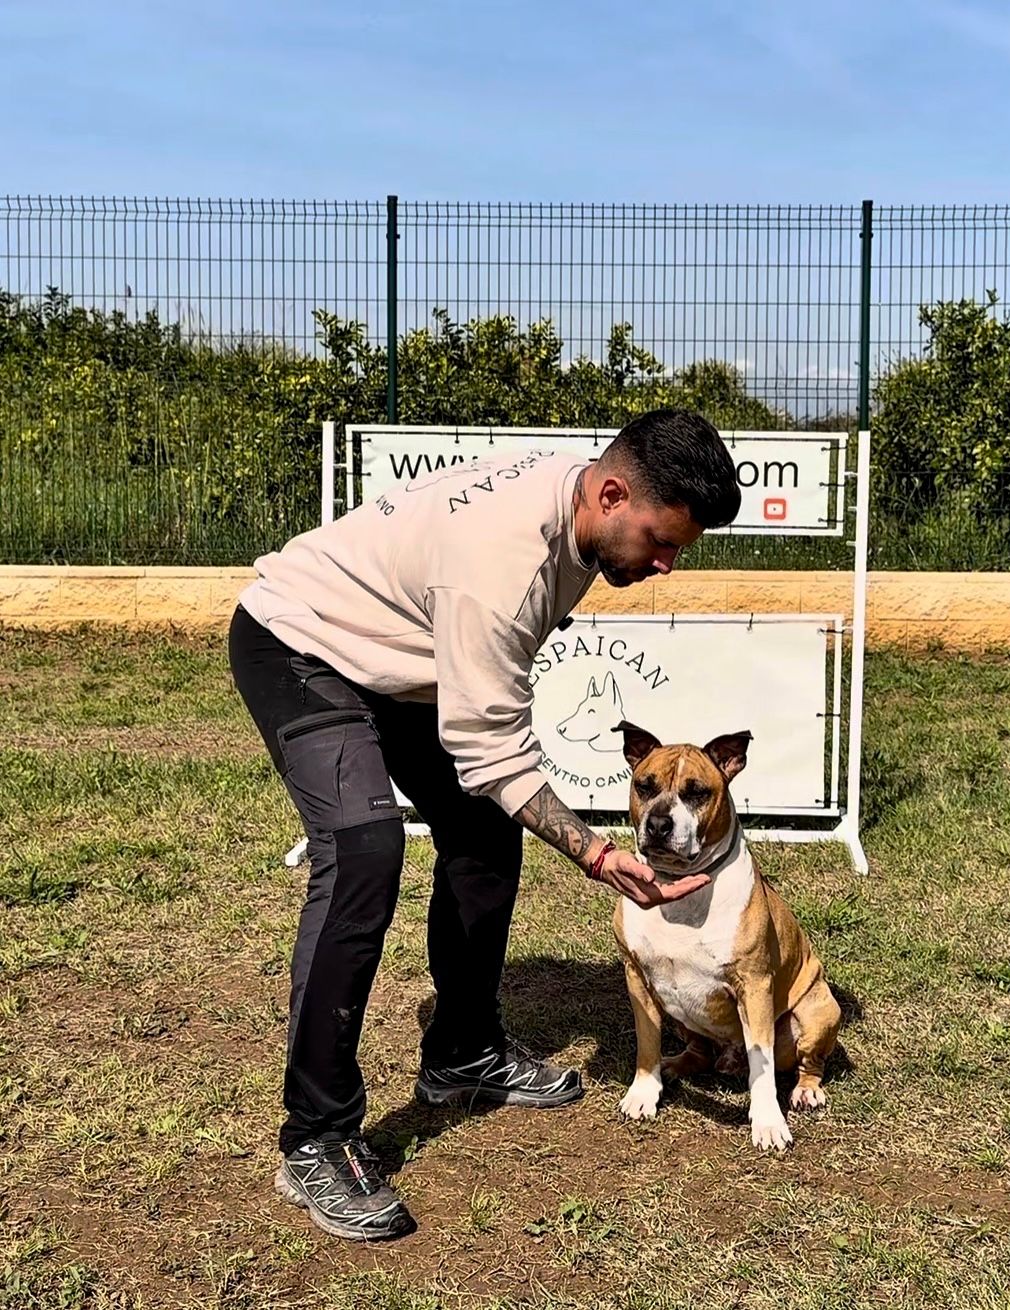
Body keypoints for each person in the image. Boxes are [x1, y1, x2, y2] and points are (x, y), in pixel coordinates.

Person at [227, 408, 741, 1241]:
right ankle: (316, 1136)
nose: (666, 564)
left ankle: (462, 1049)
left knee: (484, 833)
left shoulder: (582, 513)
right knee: (362, 850)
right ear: (613, 494)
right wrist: (598, 855)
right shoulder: (503, 563)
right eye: (660, 541)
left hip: (403, 661)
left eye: (677, 549)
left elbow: (484, 721)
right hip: (300, 643)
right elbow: (489, 748)